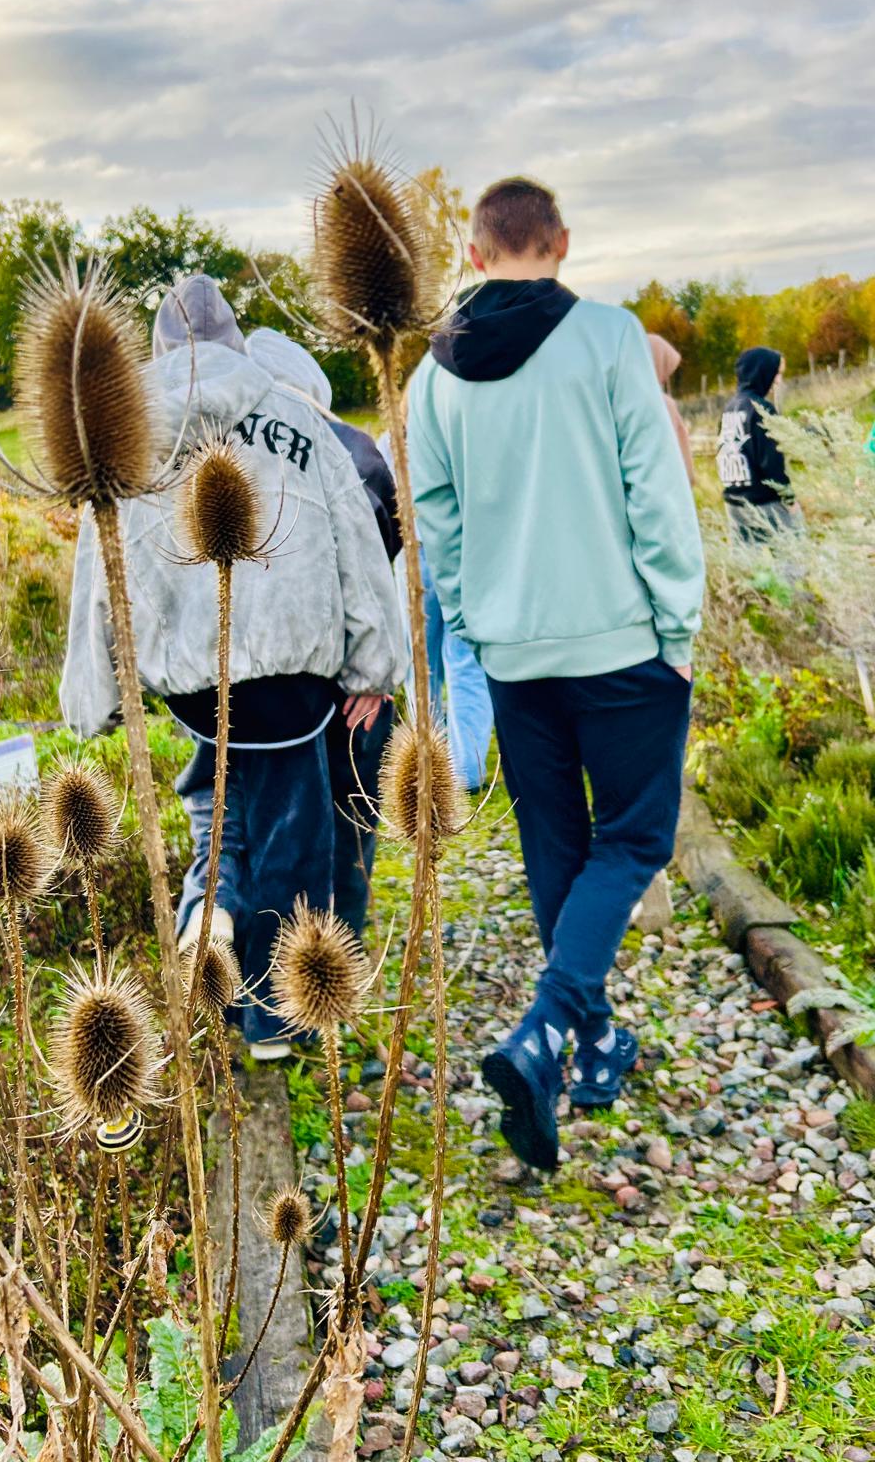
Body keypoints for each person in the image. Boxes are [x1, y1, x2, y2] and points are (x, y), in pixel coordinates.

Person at [407, 176, 705, 1171]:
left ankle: (593, 1039)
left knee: (555, 845)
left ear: (477, 255)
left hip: (514, 655)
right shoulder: (609, 340)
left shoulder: (432, 376)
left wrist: (474, 617)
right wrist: (678, 623)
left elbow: (437, 519)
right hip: (620, 643)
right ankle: (543, 1034)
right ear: (562, 243)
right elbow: (654, 493)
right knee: (633, 836)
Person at [61, 276, 405, 1061]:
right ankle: (276, 1019)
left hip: (191, 676)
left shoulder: (128, 435)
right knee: (296, 832)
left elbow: (97, 566)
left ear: (160, 351)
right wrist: (372, 664)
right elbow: (356, 545)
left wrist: (95, 691)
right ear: (236, 343)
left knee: (219, 798)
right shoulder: (295, 418)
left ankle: (208, 920)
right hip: (293, 675)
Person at [243, 326, 399, 939]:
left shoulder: (236, 450)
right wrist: (374, 672)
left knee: (273, 832)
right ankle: (340, 954)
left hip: (269, 686)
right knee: (351, 823)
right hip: (347, 680)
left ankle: (285, 964)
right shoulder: (354, 452)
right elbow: (380, 569)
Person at [377, 430, 495, 794]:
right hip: (463, 547)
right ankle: (464, 767)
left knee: (421, 662)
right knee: (463, 661)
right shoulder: (464, 428)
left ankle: (432, 761)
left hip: (417, 548)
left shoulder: (394, 438)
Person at [717, 347, 797, 542]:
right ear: (761, 372)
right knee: (792, 549)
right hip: (765, 501)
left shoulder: (729, 408)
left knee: (745, 557)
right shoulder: (761, 409)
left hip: (735, 501)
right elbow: (771, 460)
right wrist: (788, 498)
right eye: (776, 374)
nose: (778, 381)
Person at [647, 333, 695, 484]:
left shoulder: (620, 402)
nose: (666, 377)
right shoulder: (663, 404)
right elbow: (680, 444)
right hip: (666, 485)